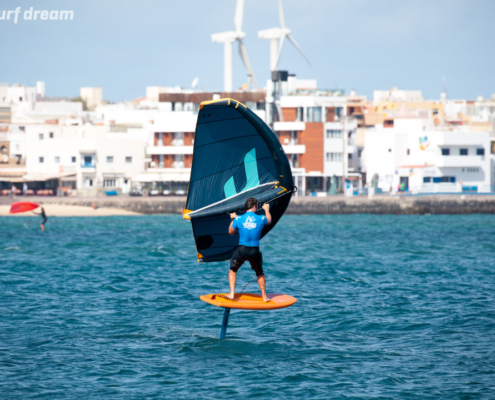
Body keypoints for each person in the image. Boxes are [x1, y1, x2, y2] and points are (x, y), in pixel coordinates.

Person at [227, 197, 272, 302]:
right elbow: (269, 220)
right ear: (254, 206)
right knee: (260, 273)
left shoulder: (238, 219)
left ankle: (232, 294)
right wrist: (266, 210)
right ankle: (264, 297)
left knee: (233, 270)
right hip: (254, 251)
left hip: (241, 250)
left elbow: (230, 232)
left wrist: (233, 218)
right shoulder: (261, 218)